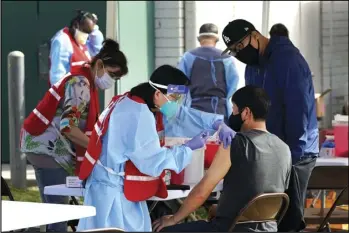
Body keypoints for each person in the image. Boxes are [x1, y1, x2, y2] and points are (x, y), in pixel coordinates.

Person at [76, 65, 234, 231]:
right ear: (158, 94)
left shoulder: (132, 100)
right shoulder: (137, 114)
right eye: (174, 98)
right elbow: (153, 161)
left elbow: (182, 114)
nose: (176, 103)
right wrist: (187, 148)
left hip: (113, 187)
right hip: (113, 194)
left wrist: (216, 123)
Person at [220, 19, 319, 231]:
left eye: (240, 46)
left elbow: (298, 109)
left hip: (295, 152)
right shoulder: (252, 67)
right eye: (234, 50)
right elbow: (250, 108)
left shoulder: (287, 60)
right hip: (269, 151)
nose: (239, 53)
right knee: (264, 218)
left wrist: (291, 156)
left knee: (288, 219)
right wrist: (232, 125)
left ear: (255, 36)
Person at [20, 39, 128, 232]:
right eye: (112, 74)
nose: (112, 80)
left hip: (44, 146)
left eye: (116, 78)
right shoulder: (80, 83)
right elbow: (68, 127)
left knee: (56, 211)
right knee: (58, 214)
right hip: (47, 148)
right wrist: (99, 148)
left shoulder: (84, 81)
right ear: (99, 64)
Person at [152, 85, 292, 232]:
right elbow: (264, 192)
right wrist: (221, 208)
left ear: (246, 113)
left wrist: (174, 218)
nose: (232, 114)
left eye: (234, 109)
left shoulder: (234, 143)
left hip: (230, 228)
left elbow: (201, 192)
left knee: (162, 229)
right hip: (269, 229)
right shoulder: (284, 148)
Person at [178, 23, 239, 122]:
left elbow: (179, 86)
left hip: (194, 112)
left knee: (198, 137)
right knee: (220, 137)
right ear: (217, 40)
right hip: (220, 111)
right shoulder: (227, 59)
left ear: (199, 39)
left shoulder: (188, 57)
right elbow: (233, 84)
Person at [49, 10, 104, 85]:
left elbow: (98, 52)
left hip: (84, 92)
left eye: (88, 33)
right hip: (70, 93)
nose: (85, 35)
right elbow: (57, 77)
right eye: (84, 31)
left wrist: (94, 28)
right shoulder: (62, 40)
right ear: (75, 25)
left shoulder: (80, 41)